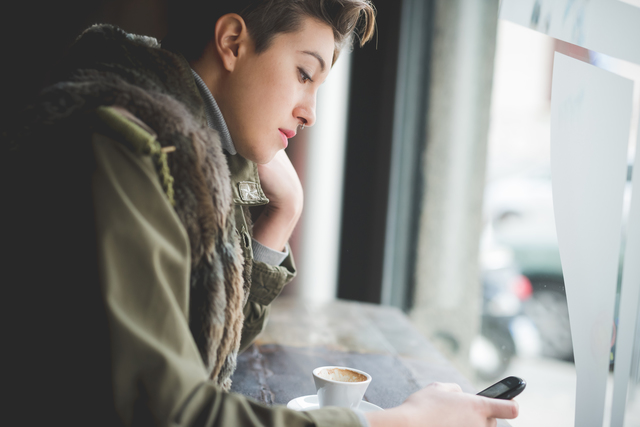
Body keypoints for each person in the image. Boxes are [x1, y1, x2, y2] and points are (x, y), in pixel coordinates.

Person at [3, 0, 519, 426]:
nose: (310, 111)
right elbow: (172, 412)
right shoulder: (123, 148)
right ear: (232, 42)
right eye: (303, 73)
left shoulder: (197, 155)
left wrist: (281, 217)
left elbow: (207, 347)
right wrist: (402, 422)